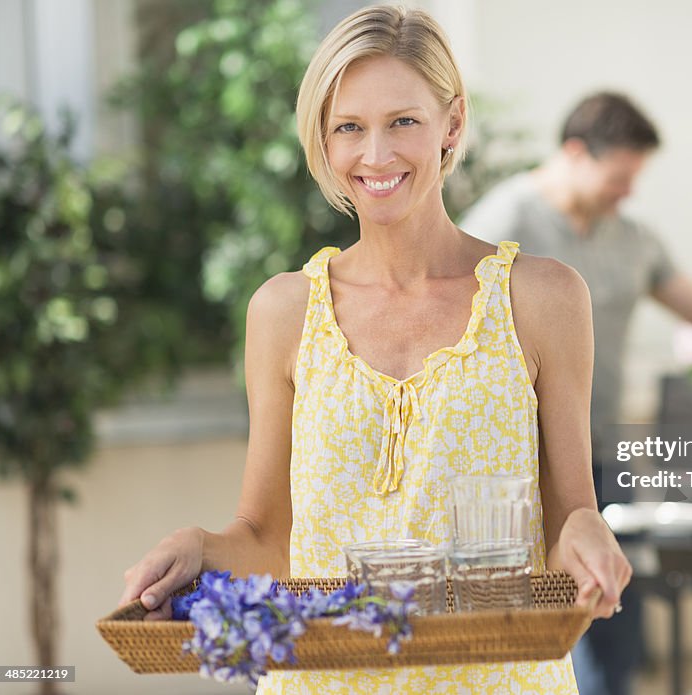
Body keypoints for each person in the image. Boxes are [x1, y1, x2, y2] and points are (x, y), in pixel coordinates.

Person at [119, 7, 630, 693]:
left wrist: (588, 536)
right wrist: (203, 546)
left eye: (404, 122)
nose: (376, 155)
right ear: (324, 142)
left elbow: (568, 514)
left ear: (451, 124)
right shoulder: (283, 312)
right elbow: (269, 538)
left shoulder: (542, 298)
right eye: (349, 128)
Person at [461, 92, 692, 695]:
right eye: (619, 178)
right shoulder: (504, 220)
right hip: (514, 462)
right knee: (548, 624)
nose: (627, 192)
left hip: (601, 458)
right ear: (574, 153)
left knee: (615, 615)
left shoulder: (636, 239)